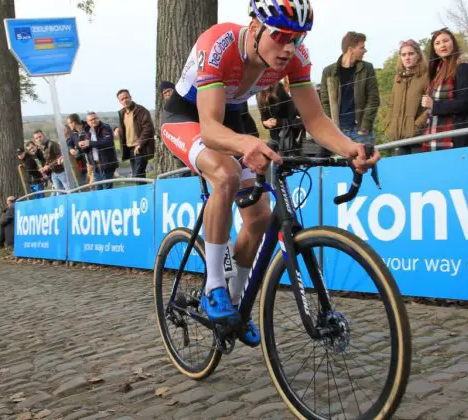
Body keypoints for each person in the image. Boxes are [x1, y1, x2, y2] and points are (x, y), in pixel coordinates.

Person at [159, 0, 379, 347]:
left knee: (259, 216)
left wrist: (350, 148)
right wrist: (245, 144)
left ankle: (233, 305)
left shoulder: (295, 56)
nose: (288, 47)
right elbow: (211, 129)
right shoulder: (219, 44)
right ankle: (214, 286)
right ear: (256, 27)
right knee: (226, 174)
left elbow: (316, 120)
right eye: (280, 36)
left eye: (297, 38)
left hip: (231, 117)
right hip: (189, 117)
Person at [421, 28, 468, 151]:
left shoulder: (464, 67)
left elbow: (465, 103)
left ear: (453, 43)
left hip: (462, 135)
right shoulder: (437, 72)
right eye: (437, 43)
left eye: (445, 41)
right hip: (437, 135)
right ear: (434, 50)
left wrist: (434, 105)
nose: (442, 45)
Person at [320, 31, 380, 145]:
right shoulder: (328, 72)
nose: (365, 51)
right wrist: (332, 127)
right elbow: (325, 102)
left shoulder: (367, 68)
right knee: (339, 163)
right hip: (338, 132)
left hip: (361, 132)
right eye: (362, 48)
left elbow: (374, 99)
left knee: (366, 162)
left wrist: (365, 126)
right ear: (351, 49)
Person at [385, 39, 430, 155]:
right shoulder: (398, 79)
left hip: (418, 138)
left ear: (418, 55)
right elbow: (391, 104)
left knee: (418, 169)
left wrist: (416, 126)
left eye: (411, 54)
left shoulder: (426, 77)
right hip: (399, 136)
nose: (407, 57)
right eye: (403, 55)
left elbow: (430, 106)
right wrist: (389, 124)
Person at [116, 90, 156, 182]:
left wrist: (140, 144)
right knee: (139, 175)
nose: (125, 100)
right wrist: (116, 129)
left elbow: (148, 128)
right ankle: (143, 195)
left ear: (130, 97)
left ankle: (140, 195)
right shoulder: (122, 113)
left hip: (141, 148)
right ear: (120, 101)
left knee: (137, 174)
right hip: (129, 149)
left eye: (126, 97)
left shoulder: (141, 110)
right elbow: (125, 127)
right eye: (122, 99)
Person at [258, 80, 302, 155]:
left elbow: (293, 120)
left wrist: (277, 122)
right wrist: (265, 123)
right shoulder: (259, 94)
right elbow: (264, 118)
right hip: (273, 140)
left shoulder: (280, 89)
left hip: (289, 139)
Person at [80, 112, 118, 189]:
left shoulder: (105, 128)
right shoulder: (88, 131)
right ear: (88, 122)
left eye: (95, 118)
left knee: (107, 190)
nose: (93, 121)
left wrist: (89, 143)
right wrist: (83, 146)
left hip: (106, 165)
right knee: (98, 190)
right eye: (91, 120)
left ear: (98, 118)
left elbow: (107, 142)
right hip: (96, 167)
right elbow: (88, 148)